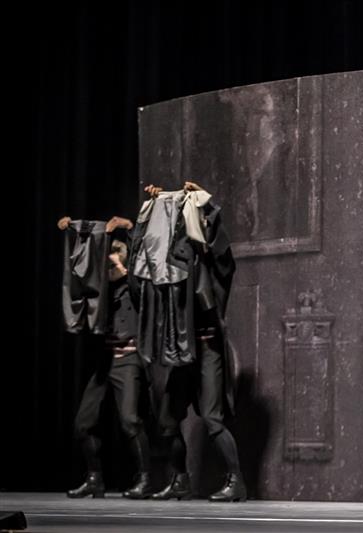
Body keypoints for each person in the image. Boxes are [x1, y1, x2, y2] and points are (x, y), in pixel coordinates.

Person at [132, 181, 246, 502]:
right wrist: (149, 216)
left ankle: (236, 481)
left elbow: (222, 253)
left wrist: (205, 206)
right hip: (182, 352)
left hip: (207, 348)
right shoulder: (168, 273)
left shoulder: (207, 265)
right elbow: (142, 267)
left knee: (212, 419)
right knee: (167, 419)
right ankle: (180, 479)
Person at [60, 215, 154, 499]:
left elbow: (142, 259)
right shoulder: (101, 291)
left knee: (130, 421)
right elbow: (81, 269)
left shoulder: (135, 287)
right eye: (107, 263)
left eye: (113, 264)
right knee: (83, 424)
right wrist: (71, 233)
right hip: (105, 363)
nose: (108, 268)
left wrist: (129, 229)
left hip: (128, 361)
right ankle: (94, 478)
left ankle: (145, 479)